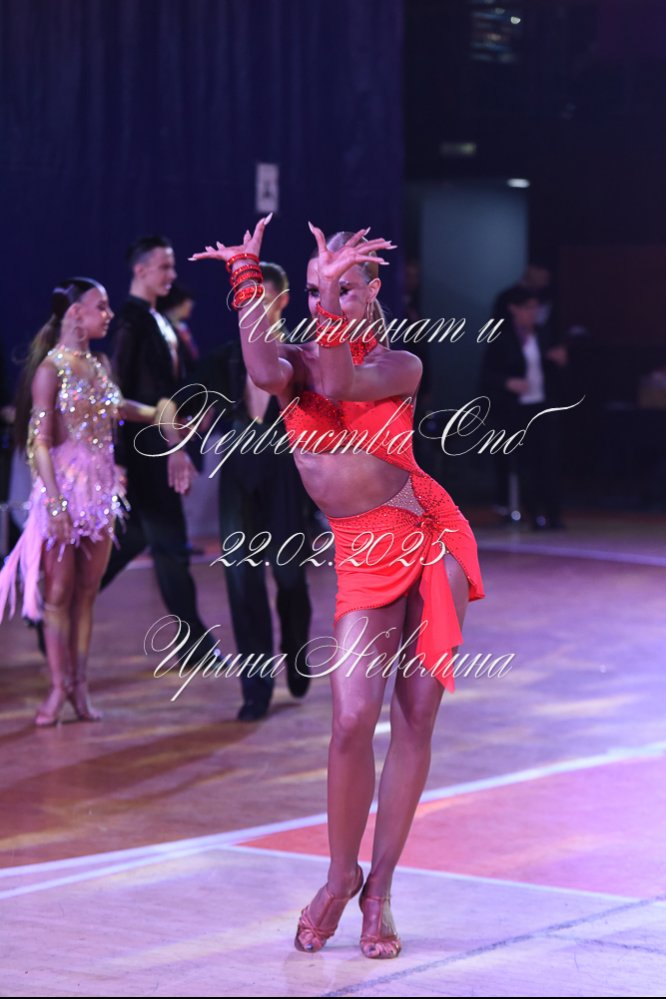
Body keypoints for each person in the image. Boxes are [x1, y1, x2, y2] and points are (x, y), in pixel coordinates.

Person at [190, 216, 485, 959]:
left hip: (426, 537)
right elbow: (262, 370)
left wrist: (322, 299)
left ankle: (378, 891)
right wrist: (246, 280)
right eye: (319, 289)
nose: (330, 299)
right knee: (352, 719)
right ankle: (339, 874)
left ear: (372, 291)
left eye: (345, 288)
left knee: (414, 717)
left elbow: (343, 381)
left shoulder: (399, 364)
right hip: (362, 552)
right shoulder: (295, 363)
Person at [0, 278, 170, 725]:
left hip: (99, 492)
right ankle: (58, 687)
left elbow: (118, 407)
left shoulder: (100, 364)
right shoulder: (49, 370)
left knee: (87, 593)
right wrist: (55, 505)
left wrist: (159, 414)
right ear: (75, 313)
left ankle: (80, 686)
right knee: (58, 593)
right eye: (101, 306)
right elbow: (38, 443)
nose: (108, 315)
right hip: (63, 491)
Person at [197, 261, 312, 721]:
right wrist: (174, 444)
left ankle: (297, 650)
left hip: (287, 475)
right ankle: (256, 689)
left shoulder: (302, 357)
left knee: (289, 578)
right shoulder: (226, 357)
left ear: (282, 301)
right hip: (238, 476)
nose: (252, 309)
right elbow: (185, 406)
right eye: (245, 300)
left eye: (260, 299)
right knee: (242, 582)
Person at [100, 236, 220, 664]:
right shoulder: (130, 322)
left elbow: (170, 388)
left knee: (135, 539)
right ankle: (195, 645)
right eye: (164, 267)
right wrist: (123, 457)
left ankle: (58, 605)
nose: (172, 275)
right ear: (141, 270)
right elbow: (118, 396)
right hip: (147, 452)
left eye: (172, 266)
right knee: (169, 545)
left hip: (160, 445)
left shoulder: (157, 320)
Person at [480, 285, 567, 529]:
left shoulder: (543, 335)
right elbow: (488, 375)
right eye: (528, 308)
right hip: (516, 411)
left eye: (535, 308)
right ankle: (534, 513)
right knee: (525, 462)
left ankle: (553, 514)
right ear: (514, 309)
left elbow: (550, 369)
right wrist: (509, 382)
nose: (533, 313)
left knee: (548, 460)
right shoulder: (502, 339)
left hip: (542, 406)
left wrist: (557, 361)